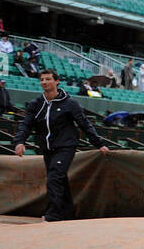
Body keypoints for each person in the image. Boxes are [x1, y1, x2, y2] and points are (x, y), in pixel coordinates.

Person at [12, 69, 111, 222]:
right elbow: (26, 124)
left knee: (54, 176)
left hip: (66, 146)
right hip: (47, 148)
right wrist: (19, 141)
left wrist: (99, 144)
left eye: (48, 79)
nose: (44, 82)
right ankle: (68, 213)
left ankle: (53, 214)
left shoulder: (70, 103)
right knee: (60, 179)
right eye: (42, 79)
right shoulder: (35, 104)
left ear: (57, 81)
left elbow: (84, 124)